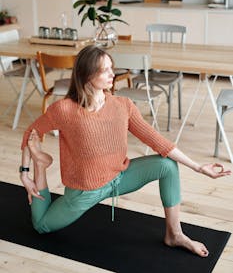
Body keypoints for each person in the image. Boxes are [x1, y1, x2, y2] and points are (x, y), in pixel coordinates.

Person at [20, 44, 231, 258]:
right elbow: (31, 132)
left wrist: (198, 167)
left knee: (167, 165)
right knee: (41, 226)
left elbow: (158, 141)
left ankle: (175, 234)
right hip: (86, 190)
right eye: (105, 70)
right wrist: (25, 172)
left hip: (120, 177)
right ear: (86, 74)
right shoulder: (64, 110)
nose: (113, 73)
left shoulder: (123, 105)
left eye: (112, 67)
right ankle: (41, 165)